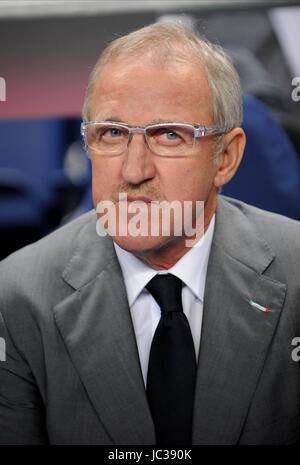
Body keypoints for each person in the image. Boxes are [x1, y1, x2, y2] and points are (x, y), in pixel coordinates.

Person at [0, 22, 300, 446]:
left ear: (226, 158)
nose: (134, 171)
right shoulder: (16, 297)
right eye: (112, 134)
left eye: (169, 136)